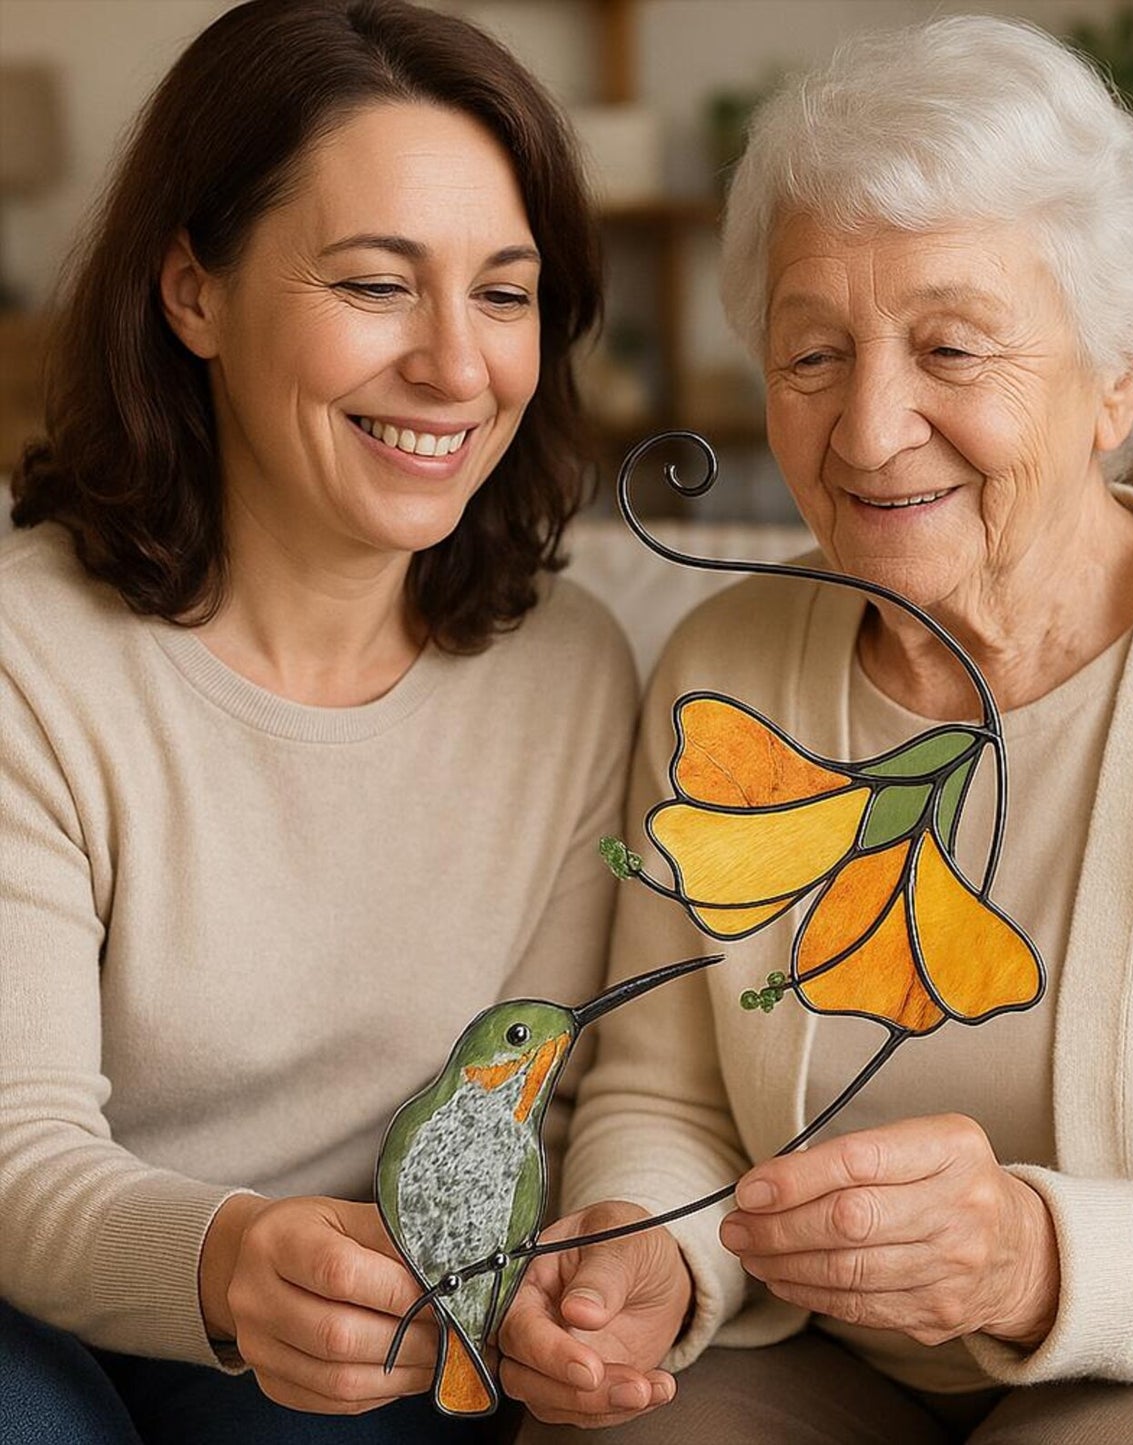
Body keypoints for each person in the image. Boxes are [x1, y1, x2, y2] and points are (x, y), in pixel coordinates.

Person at [498, 16, 1133, 1445]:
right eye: (811, 353)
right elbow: (662, 1089)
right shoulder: (726, 660)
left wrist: (1027, 1254)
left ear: (1116, 376)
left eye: (951, 346)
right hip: (815, 1351)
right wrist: (642, 1244)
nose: (870, 428)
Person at [0, 2, 636, 1442]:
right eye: (374, 283)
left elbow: (527, 1113)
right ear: (192, 294)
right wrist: (226, 1256)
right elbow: (11, 1145)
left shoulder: (575, 671)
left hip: (349, 1324)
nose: (454, 367)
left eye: (503, 292)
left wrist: (578, 1285)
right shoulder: (26, 655)